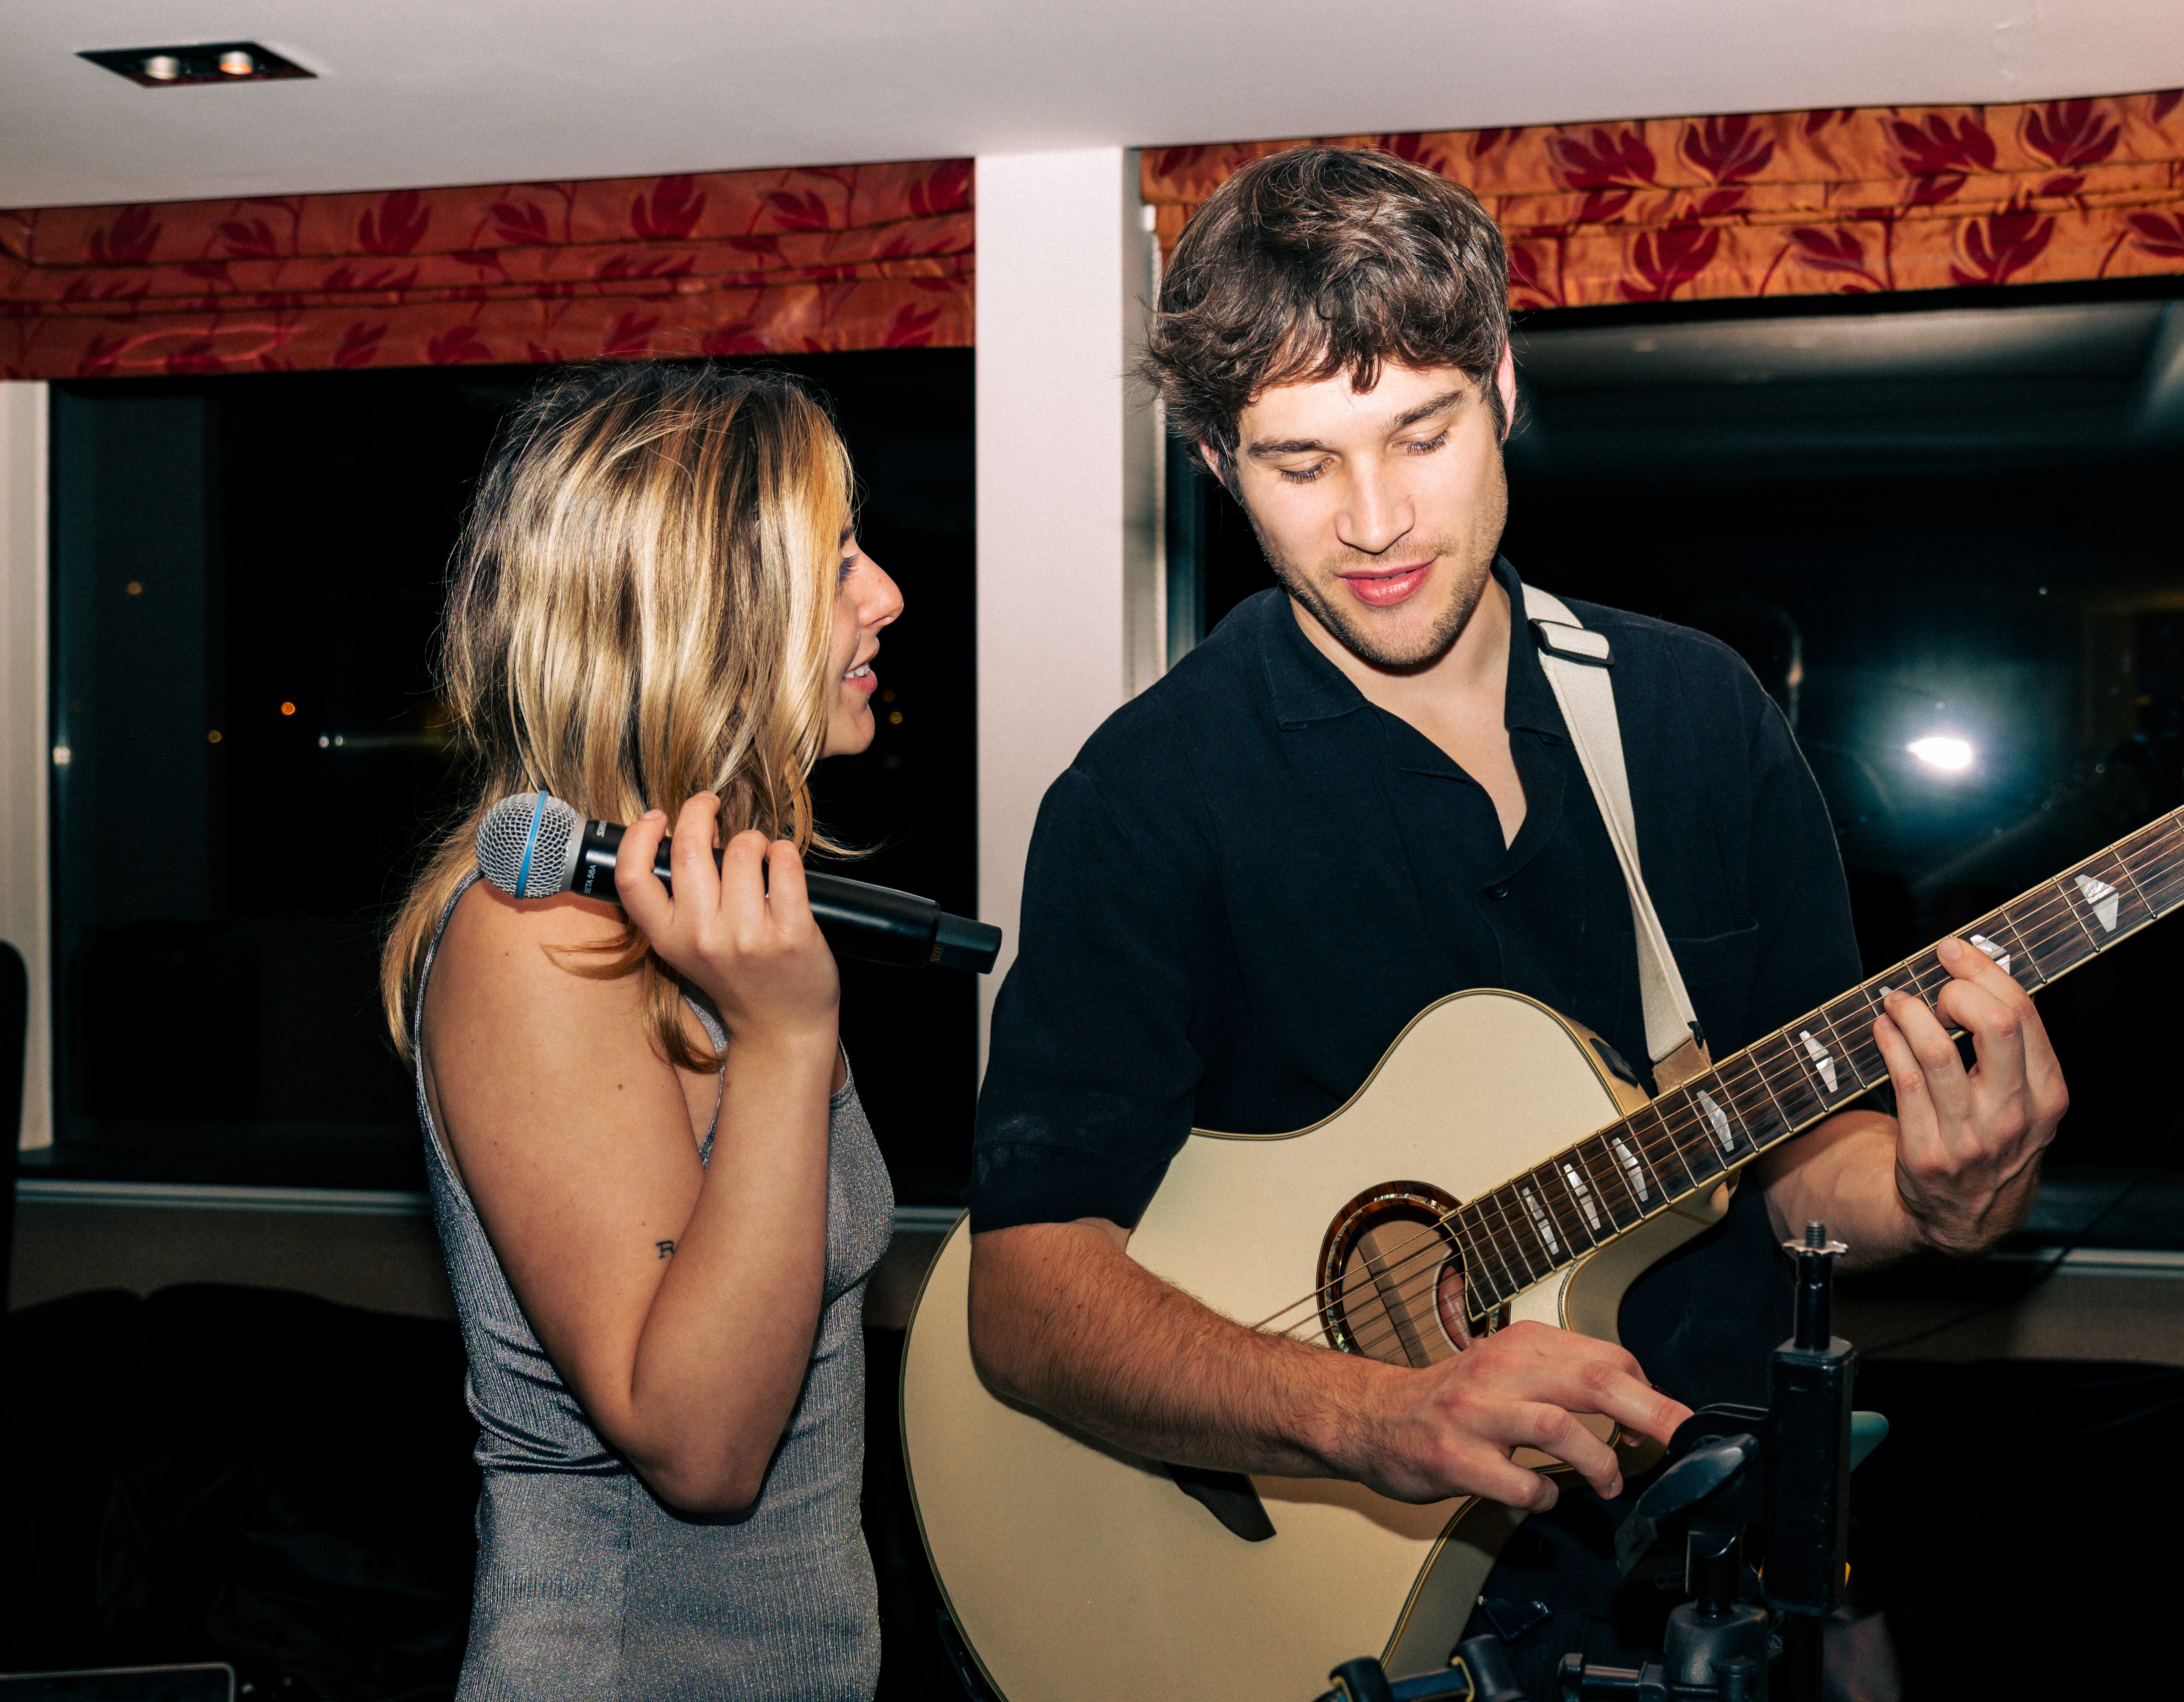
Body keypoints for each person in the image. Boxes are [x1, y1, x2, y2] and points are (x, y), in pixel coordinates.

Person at [965, 148, 2068, 1685]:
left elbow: (1806, 1171)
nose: (1373, 519)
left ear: (1500, 383)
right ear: (1218, 465)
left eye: (1420, 431)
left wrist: (1946, 1196)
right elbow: (1024, 1300)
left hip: (1698, 1590)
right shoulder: (1144, 798)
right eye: (1301, 461)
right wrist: (1369, 1410)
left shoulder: (1693, 719)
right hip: (1330, 1612)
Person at [380, 362, 905, 1701]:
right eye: (833, 558)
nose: (882, 594)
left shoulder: (707, 925)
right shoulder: (530, 938)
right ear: (700, 613)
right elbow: (703, 1448)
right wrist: (790, 1044)